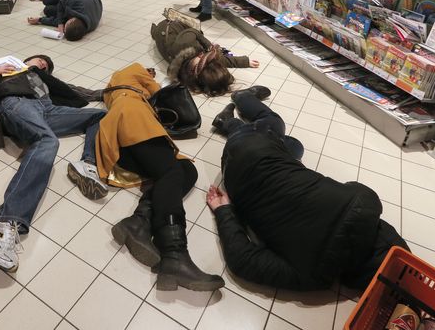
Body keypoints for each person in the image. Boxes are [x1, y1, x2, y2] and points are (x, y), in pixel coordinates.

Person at [205, 88, 409, 291]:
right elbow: (242, 261)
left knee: (275, 122)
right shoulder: (313, 276)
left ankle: (240, 101)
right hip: (233, 179)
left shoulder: (365, 199)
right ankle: (231, 124)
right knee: (294, 147)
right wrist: (224, 211)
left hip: (257, 147)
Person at [93, 63, 224, 292]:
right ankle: (174, 254)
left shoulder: (114, 88)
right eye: (149, 71)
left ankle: (139, 221)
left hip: (123, 138)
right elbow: (160, 92)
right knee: (171, 171)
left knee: (186, 170)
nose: (151, 73)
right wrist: (151, 81)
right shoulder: (134, 71)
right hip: (132, 119)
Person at [0, 56, 107, 272]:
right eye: (40, 61)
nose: (43, 65)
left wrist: (106, 92)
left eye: (47, 66)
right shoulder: (9, 72)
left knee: (100, 116)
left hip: (48, 110)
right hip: (17, 103)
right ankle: (4, 222)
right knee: (47, 141)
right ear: (26, 60)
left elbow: (73, 91)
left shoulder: (42, 78)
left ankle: (88, 164)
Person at [150, 18, 259, 96]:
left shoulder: (185, 44)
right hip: (169, 38)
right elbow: (223, 61)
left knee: (195, 29)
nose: (203, 56)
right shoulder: (191, 72)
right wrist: (245, 62)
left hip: (168, 26)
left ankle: (155, 31)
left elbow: (191, 31)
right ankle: (154, 31)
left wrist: (208, 46)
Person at [28, 0, 103, 41]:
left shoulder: (83, 27)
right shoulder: (77, 1)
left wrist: (39, 20)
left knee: (48, 10)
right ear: (71, 20)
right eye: (65, 26)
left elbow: (59, 22)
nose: (63, 27)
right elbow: (61, 2)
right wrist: (60, 24)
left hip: (85, 5)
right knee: (46, 1)